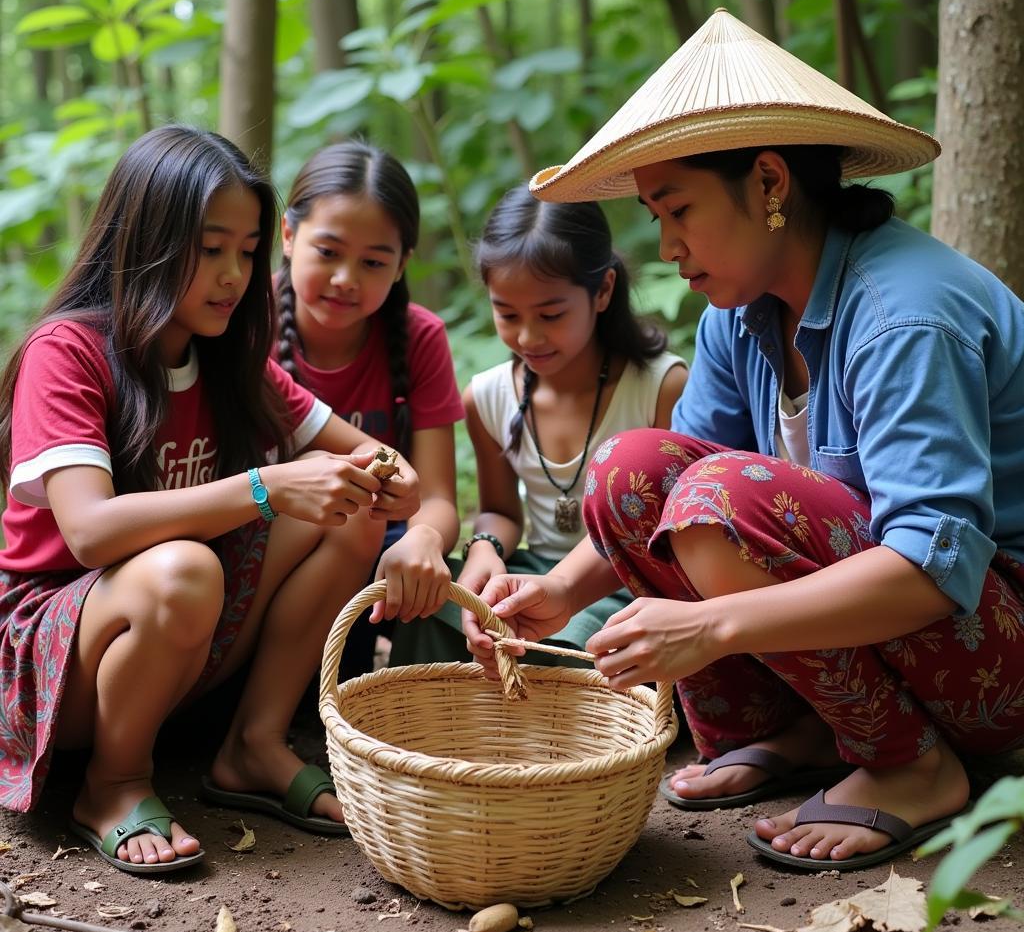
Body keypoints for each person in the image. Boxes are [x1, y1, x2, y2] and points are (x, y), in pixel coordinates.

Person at [466, 9, 1024, 872]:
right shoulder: (739, 314)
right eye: (654, 215)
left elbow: (933, 562)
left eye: (678, 208)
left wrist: (716, 626)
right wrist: (560, 593)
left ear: (769, 182)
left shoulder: (905, 315)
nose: (668, 245)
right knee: (629, 469)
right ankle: (809, 730)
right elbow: (656, 491)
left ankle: (911, 765)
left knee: (722, 502)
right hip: (897, 639)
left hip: (994, 649)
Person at [0, 125, 420, 876]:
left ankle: (253, 746)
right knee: (186, 569)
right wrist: (263, 488)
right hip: (46, 656)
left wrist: (387, 477)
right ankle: (113, 783)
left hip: (177, 637)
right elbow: (91, 533)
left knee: (350, 507)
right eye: (210, 247)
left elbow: (375, 460)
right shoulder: (68, 352)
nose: (234, 274)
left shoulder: (227, 360)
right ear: (148, 240)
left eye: (249, 250)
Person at [389, 183, 687, 665]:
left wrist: (559, 586)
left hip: (623, 580)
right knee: (431, 603)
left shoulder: (658, 387)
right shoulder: (487, 397)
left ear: (603, 290)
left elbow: (663, 534)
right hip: (531, 569)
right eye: (506, 313)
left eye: (551, 314)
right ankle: (426, 718)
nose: (528, 336)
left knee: (581, 639)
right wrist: (486, 550)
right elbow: (502, 512)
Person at [274, 141, 462, 676]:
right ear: (289, 236)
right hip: (268, 551)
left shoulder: (419, 337)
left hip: (378, 560)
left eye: (373, 261)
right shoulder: (245, 328)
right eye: (328, 252)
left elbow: (439, 496)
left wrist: (424, 537)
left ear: (402, 265)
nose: (345, 279)